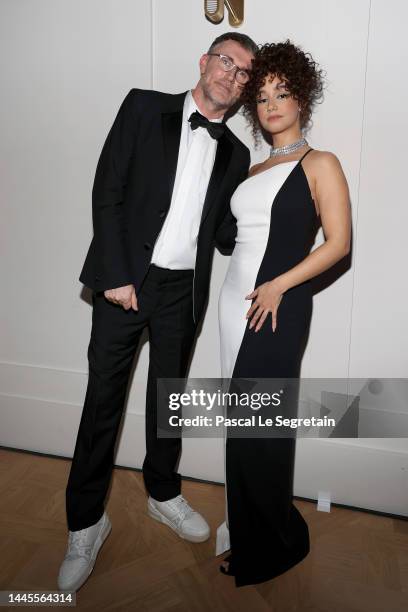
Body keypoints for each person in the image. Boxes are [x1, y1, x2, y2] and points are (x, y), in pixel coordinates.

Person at [57, 32, 258, 592]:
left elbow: (224, 233)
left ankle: (163, 493)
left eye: (243, 73)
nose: (232, 76)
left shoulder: (237, 154)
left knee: (168, 400)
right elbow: (108, 188)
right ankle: (85, 522)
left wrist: (273, 215)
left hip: (181, 294)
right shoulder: (144, 106)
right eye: (226, 62)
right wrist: (117, 275)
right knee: (103, 404)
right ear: (204, 61)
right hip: (125, 282)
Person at [216, 40, 351, 586]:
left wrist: (279, 285)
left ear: (302, 99)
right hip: (233, 304)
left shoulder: (321, 163)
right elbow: (236, 239)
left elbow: (338, 243)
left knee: (263, 428)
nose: (272, 104)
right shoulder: (251, 169)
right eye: (263, 95)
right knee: (240, 424)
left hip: (278, 305)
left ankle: (277, 542)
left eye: (283, 93)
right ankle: (248, 530)